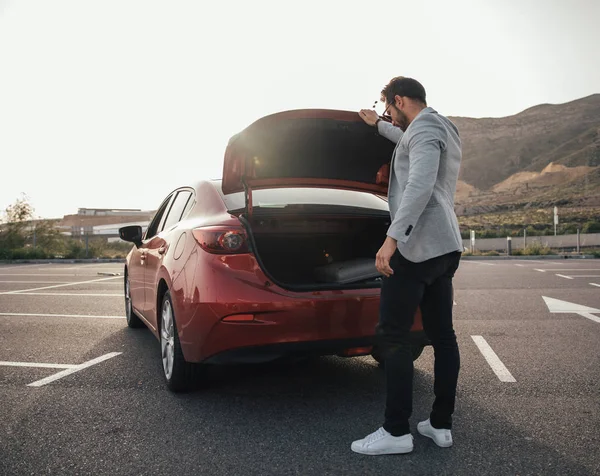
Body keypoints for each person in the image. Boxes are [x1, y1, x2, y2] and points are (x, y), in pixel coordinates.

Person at [351, 76, 464, 455]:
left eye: (388, 108)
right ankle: (439, 425)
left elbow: (419, 183)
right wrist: (379, 125)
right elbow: (409, 140)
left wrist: (392, 239)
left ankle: (396, 431)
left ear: (399, 99)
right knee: (443, 336)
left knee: (394, 337)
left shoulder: (426, 128)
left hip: (417, 247)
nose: (389, 116)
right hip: (445, 247)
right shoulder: (439, 125)